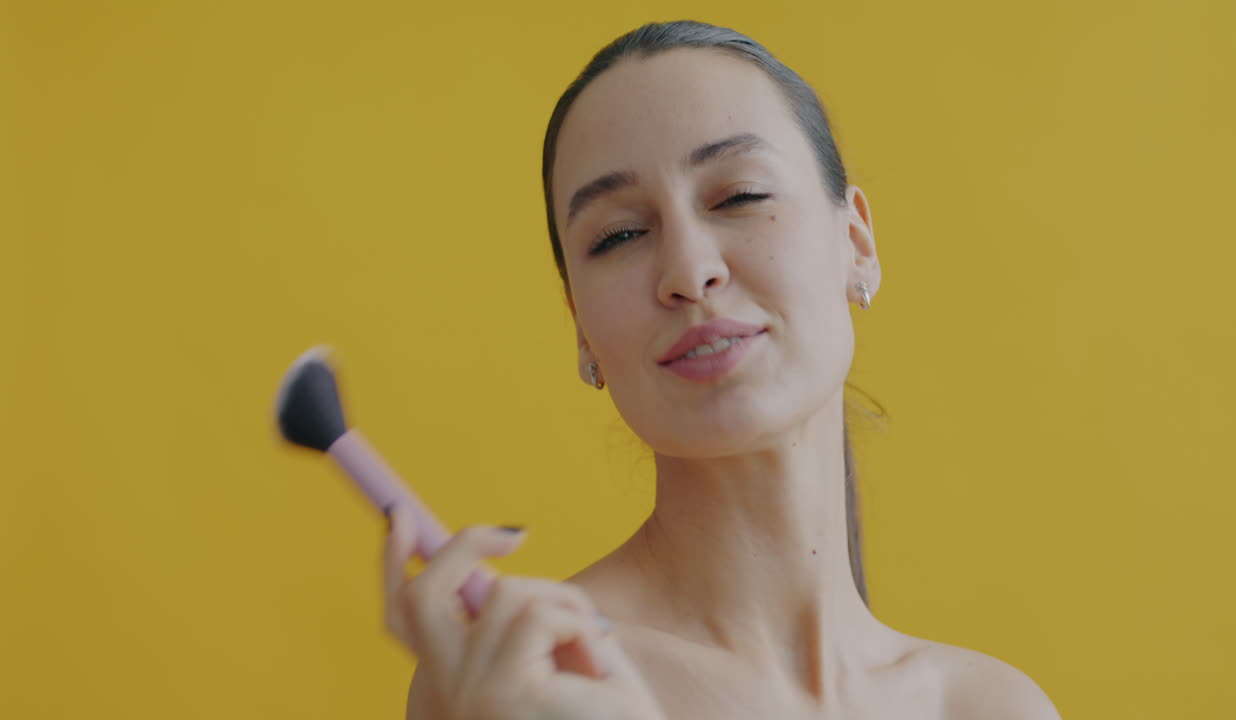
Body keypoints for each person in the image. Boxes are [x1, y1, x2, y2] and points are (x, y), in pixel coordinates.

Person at [381, 20, 1061, 719]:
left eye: (740, 196)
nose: (689, 271)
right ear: (581, 328)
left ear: (855, 241)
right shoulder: (532, 679)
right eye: (618, 236)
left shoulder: (989, 705)